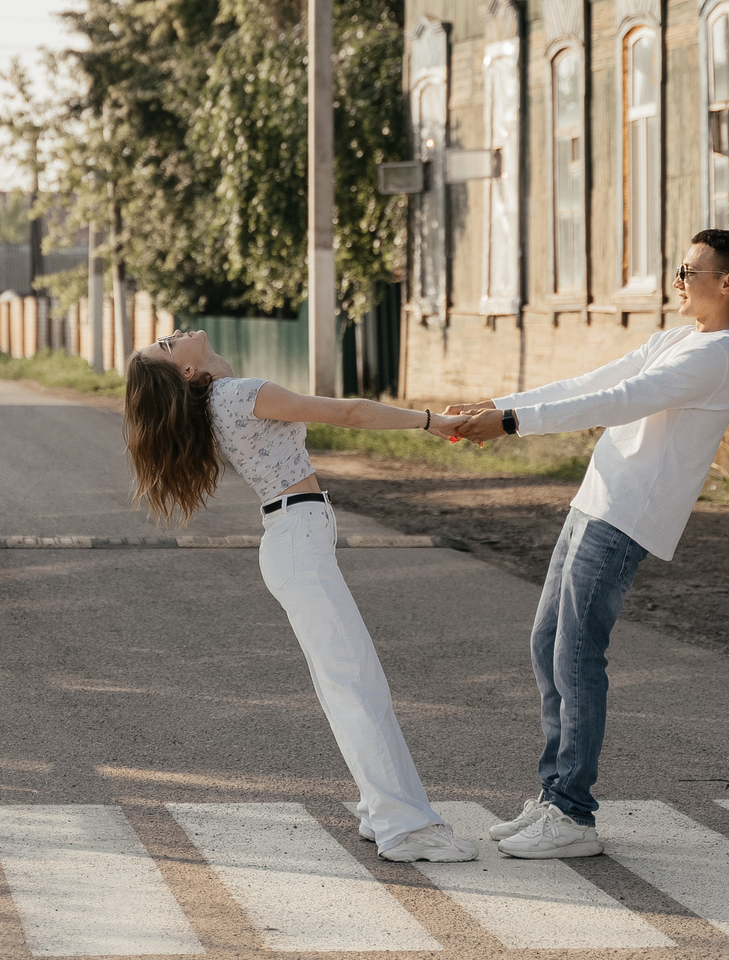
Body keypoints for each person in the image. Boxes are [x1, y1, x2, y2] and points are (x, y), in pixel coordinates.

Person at [440, 228, 729, 862]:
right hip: (596, 501)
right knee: (547, 643)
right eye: (678, 269)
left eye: (689, 272)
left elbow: (616, 402)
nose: (678, 280)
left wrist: (507, 424)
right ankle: (554, 794)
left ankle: (572, 814)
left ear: (728, 283)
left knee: (578, 655)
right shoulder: (676, 340)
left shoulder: (716, 356)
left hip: (627, 517)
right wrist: (499, 405)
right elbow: (588, 381)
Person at [122, 329, 480, 863]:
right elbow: (352, 413)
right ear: (187, 375)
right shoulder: (241, 394)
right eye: (168, 348)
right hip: (298, 542)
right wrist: (432, 421)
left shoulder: (222, 398)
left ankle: (380, 809)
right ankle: (405, 828)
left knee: (349, 683)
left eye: (165, 338)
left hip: (297, 539)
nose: (174, 335)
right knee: (357, 684)